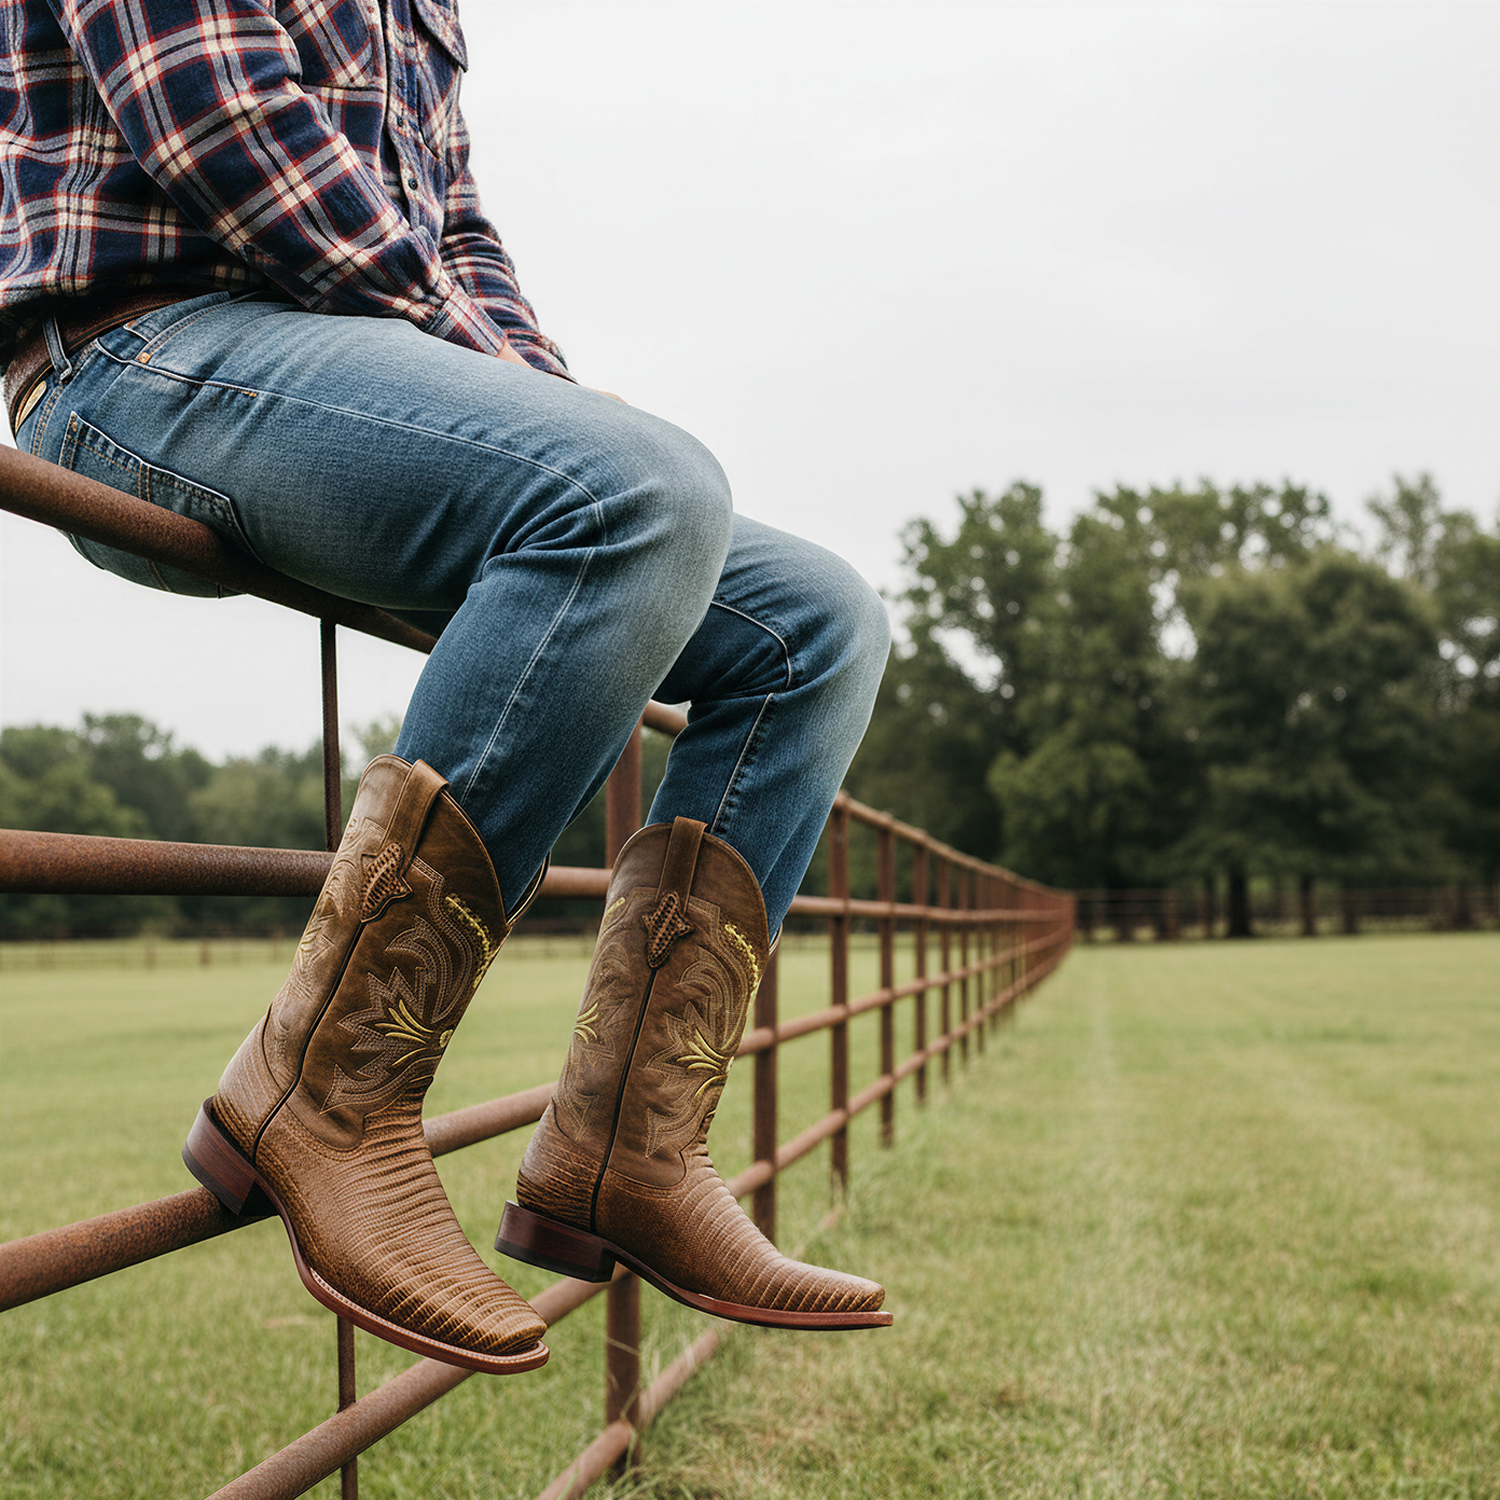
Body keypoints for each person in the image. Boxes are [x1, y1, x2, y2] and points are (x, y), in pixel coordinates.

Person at [2, 0, 892, 1374]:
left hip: (345, 367)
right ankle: (327, 1096)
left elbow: (454, 221)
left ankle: (629, 1146)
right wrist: (565, 440)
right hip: (135, 356)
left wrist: (545, 416)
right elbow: (215, 114)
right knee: (638, 487)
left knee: (814, 621)